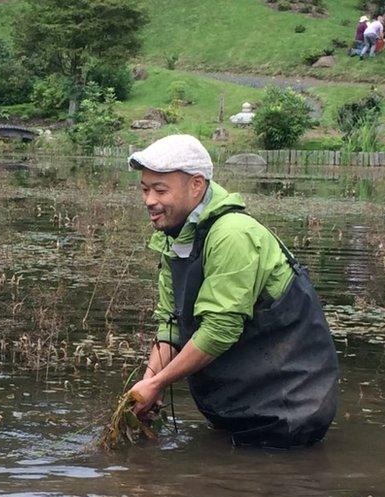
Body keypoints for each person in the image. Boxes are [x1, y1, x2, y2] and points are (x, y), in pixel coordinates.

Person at [126, 135, 339, 448]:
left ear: (196, 185)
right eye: (145, 189)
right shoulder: (174, 238)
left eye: (160, 190)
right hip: (235, 408)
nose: (149, 201)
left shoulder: (232, 234)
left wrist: (159, 381)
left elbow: (219, 330)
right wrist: (146, 384)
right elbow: (169, 325)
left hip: (289, 410)